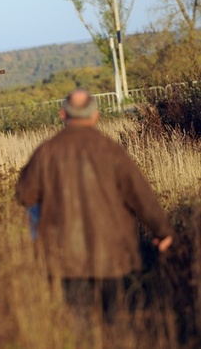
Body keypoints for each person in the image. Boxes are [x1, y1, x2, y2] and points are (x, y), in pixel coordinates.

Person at [15, 89, 174, 322]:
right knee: (115, 321)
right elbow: (140, 196)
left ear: (62, 114)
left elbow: (24, 195)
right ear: (95, 116)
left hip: (65, 255)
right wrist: (162, 231)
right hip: (112, 254)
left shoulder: (47, 152)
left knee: (78, 323)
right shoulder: (111, 150)